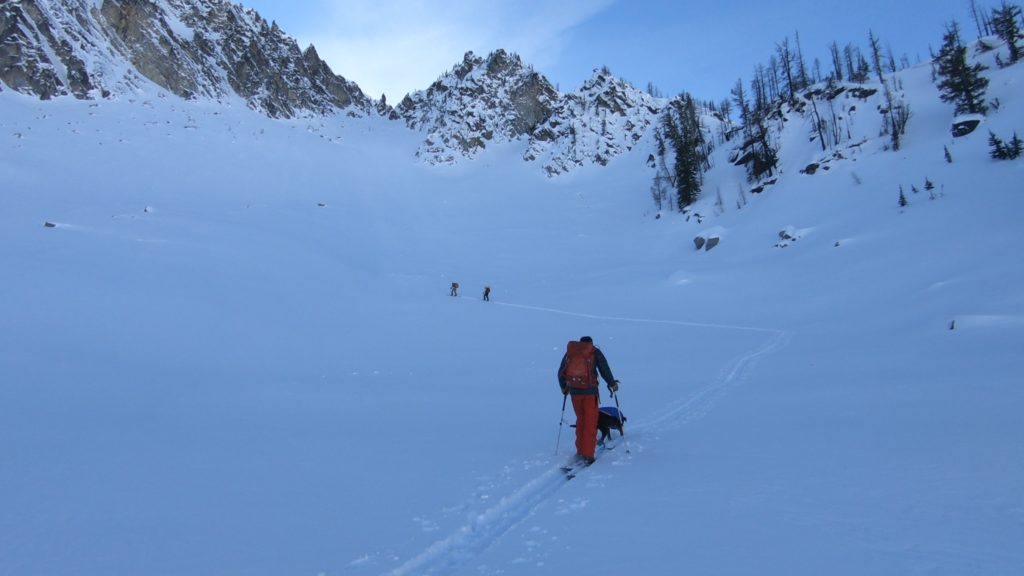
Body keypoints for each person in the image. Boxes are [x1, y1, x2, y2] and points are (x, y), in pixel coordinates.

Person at [557, 336, 619, 464]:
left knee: (581, 420)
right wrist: (612, 383)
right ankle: (588, 454)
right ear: (591, 343)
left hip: (575, 393)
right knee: (590, 422)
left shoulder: (571, 352)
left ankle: (580, 451)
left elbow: (560, 372)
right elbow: (604, 369)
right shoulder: (594, 351)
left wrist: (564, 387)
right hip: (590, 393)